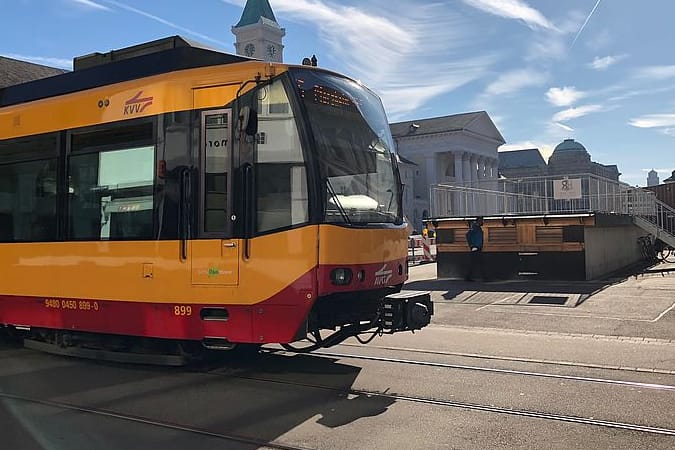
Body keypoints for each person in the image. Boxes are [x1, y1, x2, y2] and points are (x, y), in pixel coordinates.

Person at [465, 217, 486, 281]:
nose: (483, 222)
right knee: (477, 263)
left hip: (478, 247)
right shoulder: (474, 228)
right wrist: (471, 245)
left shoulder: (477, 228)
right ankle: (485, 277)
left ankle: (469, 277)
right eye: (482, 221)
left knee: (475, 263)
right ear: (479, 221)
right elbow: (468, 235)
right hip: (475, 248)